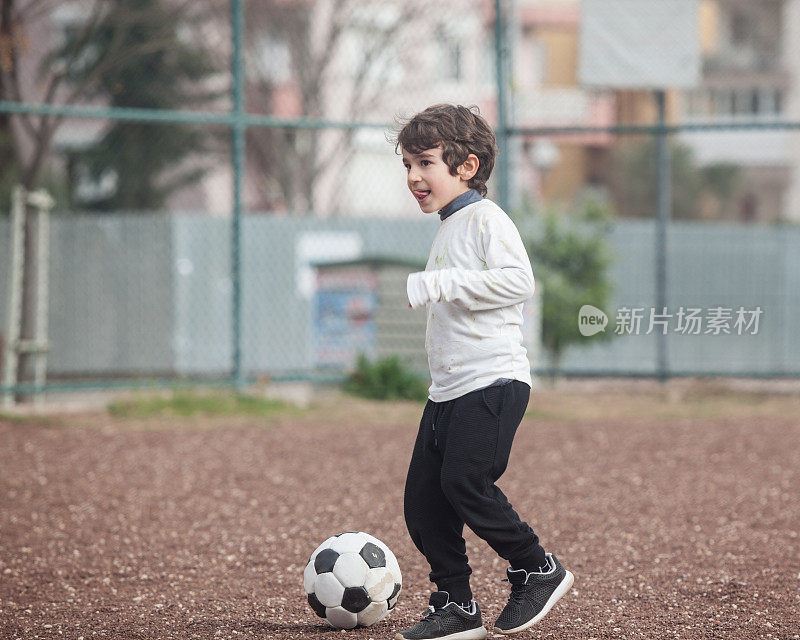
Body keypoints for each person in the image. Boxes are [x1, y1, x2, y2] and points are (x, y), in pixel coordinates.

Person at [391, 104, 573, 640]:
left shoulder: (486, 220)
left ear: (466, 166)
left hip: (493, 381)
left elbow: (519, 281)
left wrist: (444, 283)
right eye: (406, 165)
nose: (413, 177)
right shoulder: (450, 226)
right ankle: (456, 606)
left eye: (424, 162)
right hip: (448, 389)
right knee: (423, 503)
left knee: (465, 481)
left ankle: (536, 567)